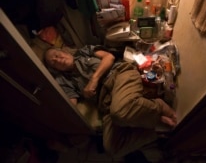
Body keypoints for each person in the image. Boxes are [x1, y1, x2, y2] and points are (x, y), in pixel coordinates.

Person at [44, 45, 177, 157]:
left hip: (119, 75)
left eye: (57, 54)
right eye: (53, 62)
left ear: (64, 51)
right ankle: (156, 132)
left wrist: (94, 80)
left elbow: (109, 57)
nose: (57, 59)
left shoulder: (84, 51)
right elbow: (71, 104)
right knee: (112, 147)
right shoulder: (65, 81)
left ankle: (159, 106)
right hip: (105, 102)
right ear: (55, 69)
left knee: (119, 113)